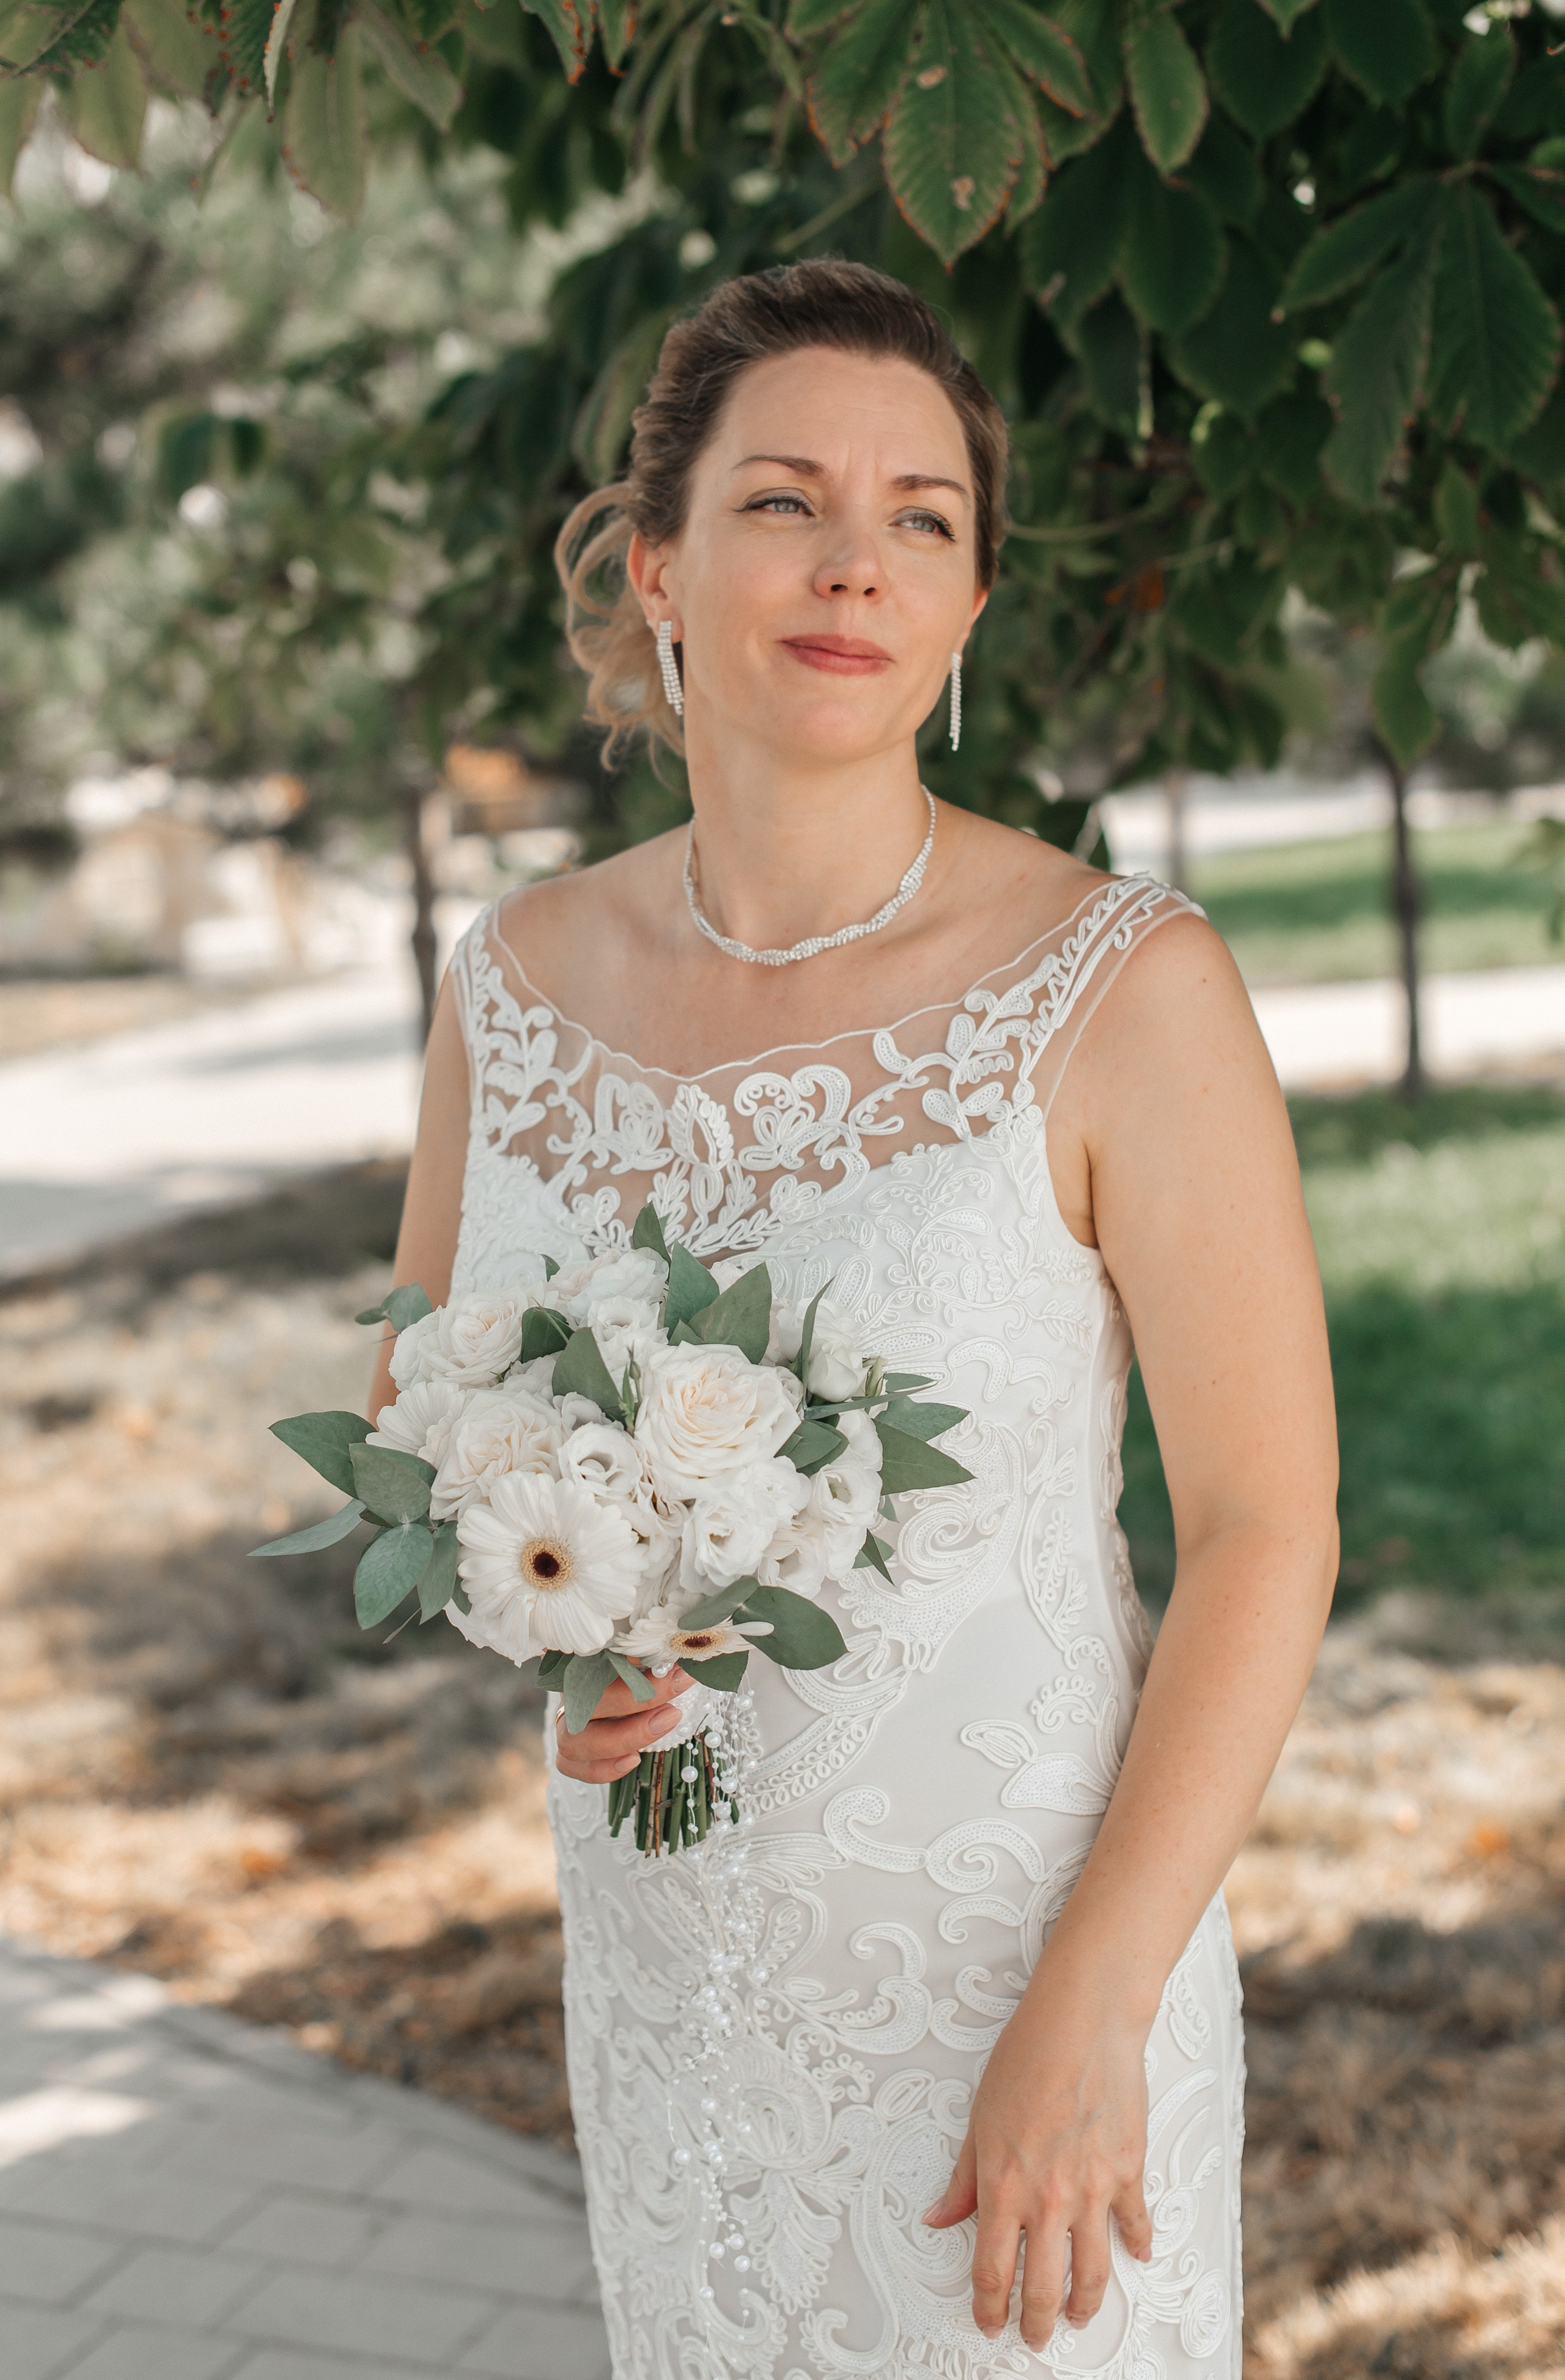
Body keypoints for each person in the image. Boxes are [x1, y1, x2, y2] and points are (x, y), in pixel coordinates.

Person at [370, 259, 1338, 2378]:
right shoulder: (508, 988)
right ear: (660, 564)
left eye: (923, 519)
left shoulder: (1125, 989)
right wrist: (567, 1640)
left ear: (975, 601)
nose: (855, 564)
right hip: (672, 1967)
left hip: (1029, 1987)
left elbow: (1269, 1525)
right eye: (786, 499)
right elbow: (422, 1425)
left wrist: (1099, 2001)